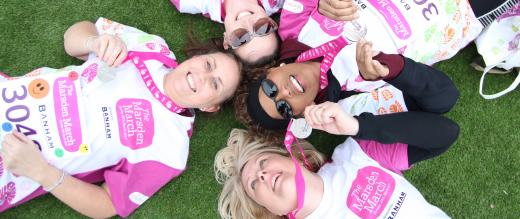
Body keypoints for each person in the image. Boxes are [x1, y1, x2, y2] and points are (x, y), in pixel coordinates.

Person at [0, 17, 241, 217]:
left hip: (11, 164)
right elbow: (71, 39)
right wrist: (94, 41)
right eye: (208, 64)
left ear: (211, 107)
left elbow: (108, 204)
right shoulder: (152, 48)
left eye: (215, 84)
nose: (202, 76)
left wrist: (41, 172)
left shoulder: (171, 149)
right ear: (197, 57)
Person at [215, 102, 460, 218]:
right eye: (254, 185)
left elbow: (445, 134)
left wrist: (357, 126)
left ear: (294, 158)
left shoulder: (355, 154)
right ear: (269, 211)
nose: (261, 175)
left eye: (263, 163)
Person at [235, 39, 458, 137]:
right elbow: (444, 97)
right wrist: (388, 68)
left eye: (270, 88)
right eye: (283, 107)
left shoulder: (297, 23)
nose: (284, 93)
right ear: (304, 113)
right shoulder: (352, 106)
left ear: (272, 71)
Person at [170, 0, 359, 67]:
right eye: (262, 29)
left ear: (227, 40)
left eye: (241, 37)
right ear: (271, 22)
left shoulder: (190, 2)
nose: (248, 23)